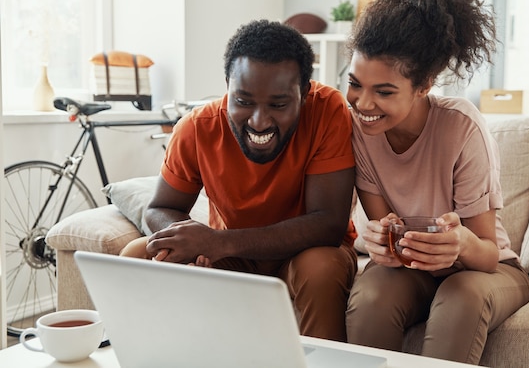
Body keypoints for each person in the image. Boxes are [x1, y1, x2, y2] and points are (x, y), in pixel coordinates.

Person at [120, 19, 358, 342]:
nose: (259, 121)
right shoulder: (196, 128)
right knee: (137, 254)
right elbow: (160, 208)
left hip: (306, 252)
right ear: (227, 87)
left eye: (278, 104)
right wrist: (189, 244)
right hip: (233, 258)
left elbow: (328, 224)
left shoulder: (328, 110)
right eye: (243, 101)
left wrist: (218, 243)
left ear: (304, 92)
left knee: (319, 267)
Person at [343, 0, 529, 364]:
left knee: (460, 296)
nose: (362, 104)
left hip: (485, 272)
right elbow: (386, 235)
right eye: (356, 83)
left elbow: (488, 255)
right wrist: (381, 242)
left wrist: (459, 242)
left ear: (425, 84)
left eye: (384, 91)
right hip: (412, 271)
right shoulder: (359, 130)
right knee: (373, 293)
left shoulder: (460, 127)